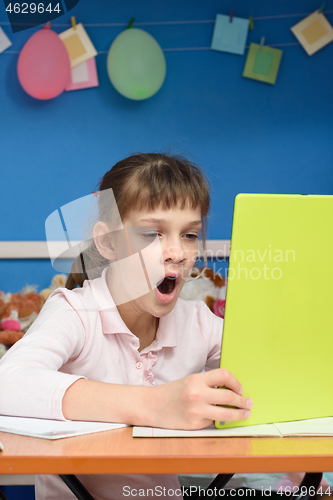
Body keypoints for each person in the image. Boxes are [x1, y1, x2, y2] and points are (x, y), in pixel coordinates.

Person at [0, 153, 253, 500]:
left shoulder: (197, 321)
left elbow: (268, 381)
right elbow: (7, 383)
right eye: (152, 233)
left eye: (191, 234)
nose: (177, 252)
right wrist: (154, 404)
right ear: (107, 242)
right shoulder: (75, 311)